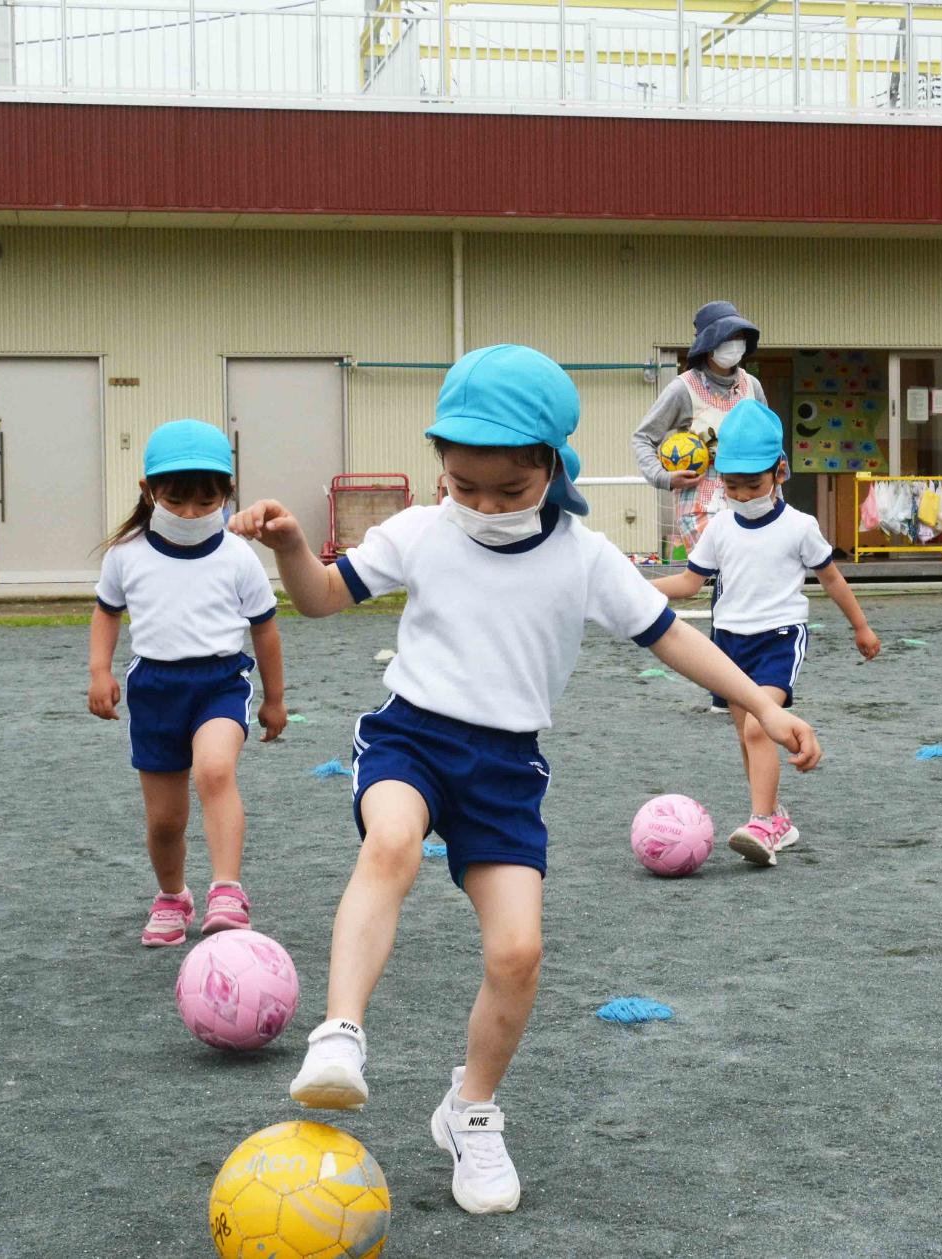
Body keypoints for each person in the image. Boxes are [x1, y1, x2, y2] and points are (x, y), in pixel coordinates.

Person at [232, 345, 821, 1215]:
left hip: (507, 769)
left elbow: (674, 635)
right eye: (464, 483)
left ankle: (471, 1111)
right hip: (413, 739)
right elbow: (321, 597)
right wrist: (289, 547)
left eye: (508, 490)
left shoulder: (584, 556)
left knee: (517, 952)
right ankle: (339, 1034)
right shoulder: (421, 531)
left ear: (551, 466)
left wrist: (763, 709)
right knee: (390, 843)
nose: (482, 504)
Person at [651, 400, 880, 864]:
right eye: (731, 485)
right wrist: (633, 590)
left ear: (779, 472)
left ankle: (762, 823)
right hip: (728, 644)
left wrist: (861, 627)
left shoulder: (800, 527)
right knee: (746, 736)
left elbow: (832, 579)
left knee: (759, 729)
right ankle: (775, 816)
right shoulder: (718, 528)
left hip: (778, 638)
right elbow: (690, 584)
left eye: (752, 484)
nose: (741, 494)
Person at [88, 422, 285, 947]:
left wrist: (275, 699)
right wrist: (100, 672)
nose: (193, 514)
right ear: (148, 492)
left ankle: (227, 890)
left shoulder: (239, 556)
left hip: (219, 682)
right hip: (155, 690)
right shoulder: (126, 553)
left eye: (207, 501)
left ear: (227, 494)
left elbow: (265, 629)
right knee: (165, 821)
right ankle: (173, 896)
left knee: (215, 771)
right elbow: (107, 613)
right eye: (176, 501)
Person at [632, 301, 766, 559]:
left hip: (749, 494)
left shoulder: (752, 387)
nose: (735, 343)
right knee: (725, 570)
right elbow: (643, 437)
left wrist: (775, 496)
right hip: (701, 501)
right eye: (729, 336)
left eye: (740, 337)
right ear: (709, 343)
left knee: (748, 573)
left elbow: (769, 444)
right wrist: (664, 477)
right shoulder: (683, 388)